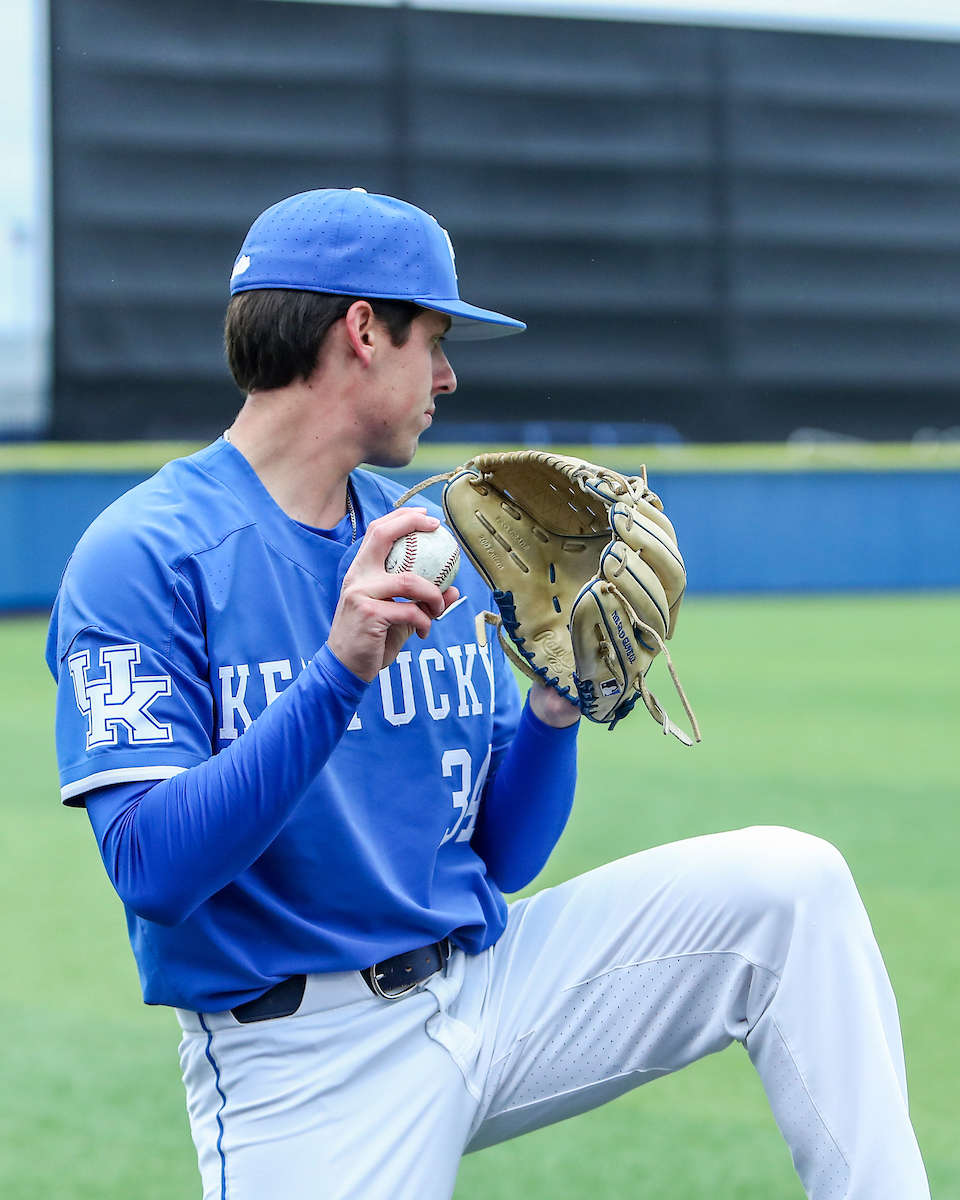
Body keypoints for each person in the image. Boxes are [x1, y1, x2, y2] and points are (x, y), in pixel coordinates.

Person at [48, 189, 929, 1200]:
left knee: (789, 887)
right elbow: (153, 869)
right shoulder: (144, 556)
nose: (451, 375)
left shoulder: (435, 538)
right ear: (364, 331)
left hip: (493, 989)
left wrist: (553, 715)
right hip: (305, 1065)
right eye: (437, 338)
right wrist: (336, 675)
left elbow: (501, 859)